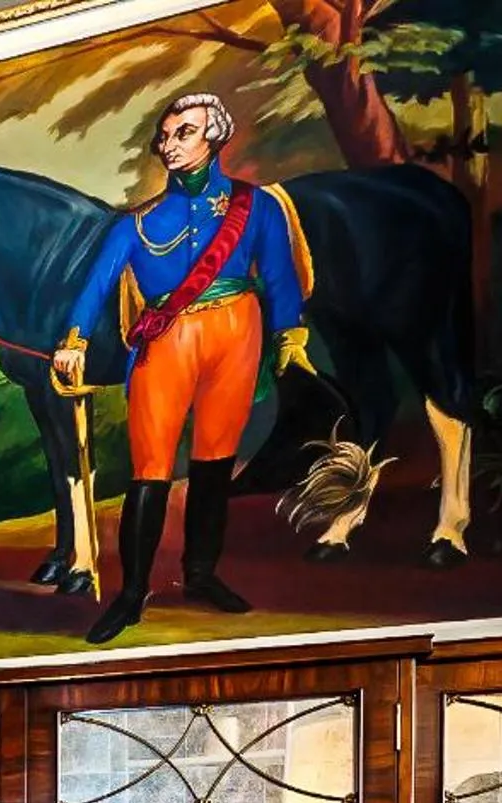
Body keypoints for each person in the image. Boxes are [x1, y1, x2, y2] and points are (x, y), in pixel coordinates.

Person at [51, 92, 315, 645]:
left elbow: (280, 273)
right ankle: (131, 595)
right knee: (150, 471)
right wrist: (74, 340)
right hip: (165, 341)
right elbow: (97, 283)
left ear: (213, 138)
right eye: (166, 136)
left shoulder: (256, 206)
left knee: (215, 463)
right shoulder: (137, 223)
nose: (169, 146)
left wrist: (289, 332)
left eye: (184, 133)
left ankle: (201, 574)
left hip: (237, 333)